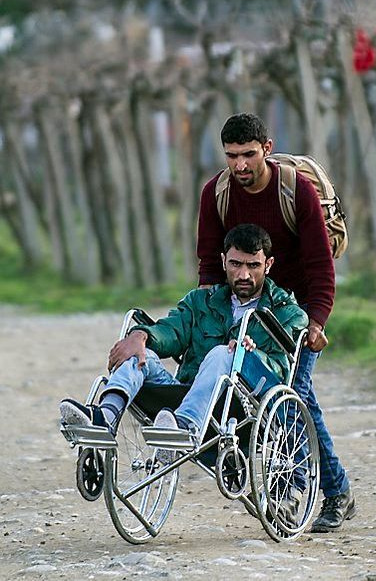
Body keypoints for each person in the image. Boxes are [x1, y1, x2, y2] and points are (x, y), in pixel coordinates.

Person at [195, 113, 354, 532]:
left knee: (291, 394)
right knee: (260, 398)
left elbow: (321, 267)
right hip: (246, 310)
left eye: (248, 155)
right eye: (232, 157)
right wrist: (213, 317)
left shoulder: (295, 191)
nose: (240, 166)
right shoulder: (216, 194)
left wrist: (316, 322)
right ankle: (337, 489)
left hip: (295, 313)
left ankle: (296, 494)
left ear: (267, 148)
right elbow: (211, 266)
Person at [59, 224, 308, 459]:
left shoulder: (288, 313)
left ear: (268, 264)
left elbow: (280, 368)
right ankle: (105, 418)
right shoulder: (201, 301)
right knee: (141, 353)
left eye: (253, 265)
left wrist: (249, 356)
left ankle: (185, 426)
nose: (243, 274)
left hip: (243, 407)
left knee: (225, 353)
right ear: (223, 261)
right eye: (235, 264)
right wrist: (141, 336)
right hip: (188, 394)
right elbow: (172, 331)